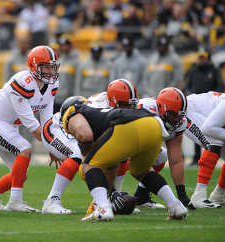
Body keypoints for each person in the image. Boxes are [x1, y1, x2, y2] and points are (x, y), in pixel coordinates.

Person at [60, 96, 188, 221]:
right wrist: (100, 201)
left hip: (128, 124)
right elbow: (112, 166)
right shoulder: (96, 112)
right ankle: (175, 206)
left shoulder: (73, 112)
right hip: (154, 124)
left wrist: (86, 157)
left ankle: (102, 210)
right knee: (141, 172)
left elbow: (84, 136)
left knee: (88, 166)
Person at [41, 78, 140, 215]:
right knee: (77, 154)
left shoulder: (114, 107)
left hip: (77, 132)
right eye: (124, 105)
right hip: (56, 128)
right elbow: (85, 139)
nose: (128, 109)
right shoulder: (99, 107)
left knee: (120, 152)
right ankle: (51, 200)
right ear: (112, 101)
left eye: (131, 105)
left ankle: (109, 199)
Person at [0, 45, 59, 212]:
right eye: (46, 67)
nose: (51, 71)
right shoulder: (23, 82)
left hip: (9, 126)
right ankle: (15, 202)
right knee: (25, 148)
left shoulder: (52, 85)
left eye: (52, 67)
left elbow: (47, 121)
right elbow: (30, 123)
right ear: (34, 65)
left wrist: (53, 145)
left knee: (21, 175)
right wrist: (55, 147)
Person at [132, 87, 193, 210]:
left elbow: (175, 160)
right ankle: (111, 196)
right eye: (173, 115)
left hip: (145, 143)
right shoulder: (145, 109)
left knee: (162, 156)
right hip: (128, 138)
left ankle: (141, 196)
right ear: (161, 108)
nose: (177, 120)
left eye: (179, 116)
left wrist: (182, 195)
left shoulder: (179, 123)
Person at [184, 45, 225, 166]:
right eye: (200, 57)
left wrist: (211, 97)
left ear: (208, 57)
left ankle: (213, 155)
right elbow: (187, 86)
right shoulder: (193, 70)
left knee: (210, 130)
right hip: (195, 105)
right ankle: (196, 157)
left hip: (209, 106)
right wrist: (190, 97)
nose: (201, 59)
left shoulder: (214, 70)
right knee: (195, 129)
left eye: (203, 57)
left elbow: (221, 86)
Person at [53, 37, 79, 113]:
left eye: (66, 45)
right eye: (62, 45)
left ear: (70, 46)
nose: (64, 47)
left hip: (69, 98)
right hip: (57, 98)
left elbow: (77, 81)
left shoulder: (76, 62)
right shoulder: (59, 61)